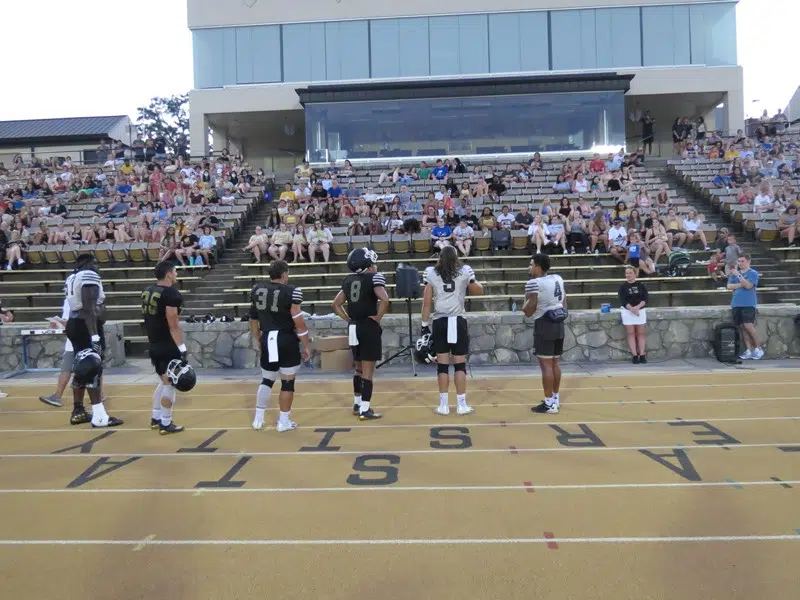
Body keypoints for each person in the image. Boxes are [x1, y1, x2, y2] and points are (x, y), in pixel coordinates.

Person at [249, 260, 311, 432]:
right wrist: (306, 345)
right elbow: (299, 323)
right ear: (284, 274)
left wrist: (258, 339)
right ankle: (283, 421)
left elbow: (253, 319)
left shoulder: (257, 290)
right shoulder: (292, 292)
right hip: (285, 339)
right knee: (287, 382)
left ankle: (258, 419)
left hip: (267, 338)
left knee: (267, 379)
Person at [421, 246, 483, 416]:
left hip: (440, 321)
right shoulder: (464, 271)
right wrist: (472, 280)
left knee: (442, 366)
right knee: (459, 365)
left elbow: (426, 303)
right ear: (456, 257)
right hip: (457, 320)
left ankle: (444, 405)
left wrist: (424, 325)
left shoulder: (431, 273)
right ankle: (461, 404)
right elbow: (479, 290)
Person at [64, 254, 122, 427]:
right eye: (95, 263)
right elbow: (89, 307)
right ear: (87, 263)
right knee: (92, 367)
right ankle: (99, 415)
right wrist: (95, 335)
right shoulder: (88, 275)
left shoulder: (72, 276)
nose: (97, 266)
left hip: (74, 323)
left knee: (82, 367)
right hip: (87, 326)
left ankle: (78, 410)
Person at [331, 248, 389, 421]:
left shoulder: (348, 280)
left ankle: (357, 404)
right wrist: (378, 317)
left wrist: (349, 320)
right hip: (367, 326)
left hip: (354, 326)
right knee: (368, 371)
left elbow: (335, 304)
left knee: (358, 368)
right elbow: (385, 299)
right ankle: (365, 408)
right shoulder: (374, 278)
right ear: (367, 265)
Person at [142, 261, 190, 434]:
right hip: (167, 343)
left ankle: (156, 417)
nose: (176, 274)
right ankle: (165, 422)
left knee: (163, 381)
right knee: (170, 383)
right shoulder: (171, 294)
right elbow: (173, 323)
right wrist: (182, 347)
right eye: (175, 271)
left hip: (154, 342)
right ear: (169, 274)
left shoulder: (147, 291)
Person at [522, 253, 567, 414]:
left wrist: (525, 305)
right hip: (558, 322)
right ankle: (555, 398)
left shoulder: (534, 283)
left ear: (538, 266)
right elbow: (564, 302)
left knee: (546, 365)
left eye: (531, 264)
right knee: (555, 363)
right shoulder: (558, 278)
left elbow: (529, 310)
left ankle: (549, 403)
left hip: (544, 324)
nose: (529, 267)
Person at [727, 255, 764, 360]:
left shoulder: (752, 273)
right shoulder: (734, 274)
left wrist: (739, 276)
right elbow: (729, 286)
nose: (740, 263)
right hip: (736, 304)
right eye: (739, 261)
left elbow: (748, 286)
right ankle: (748, 350)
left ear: (748, 261)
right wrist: (741, 283)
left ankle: (758, 348)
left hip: (748, 304)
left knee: (749, 326)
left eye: (742, 261)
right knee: (742, 328)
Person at [618, 266, 649, 364]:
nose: (628, 275)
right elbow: (623, 300)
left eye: (630, 273)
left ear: (635, 274)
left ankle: (642, 354)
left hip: (640, 310)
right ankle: (635, 355)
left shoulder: (641, 285)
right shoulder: (622, 287)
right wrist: (631, 309)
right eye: (626, 273)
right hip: (628, 311)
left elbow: (645, 298)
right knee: (631, 333)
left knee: (640, 333)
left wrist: (637, 307)